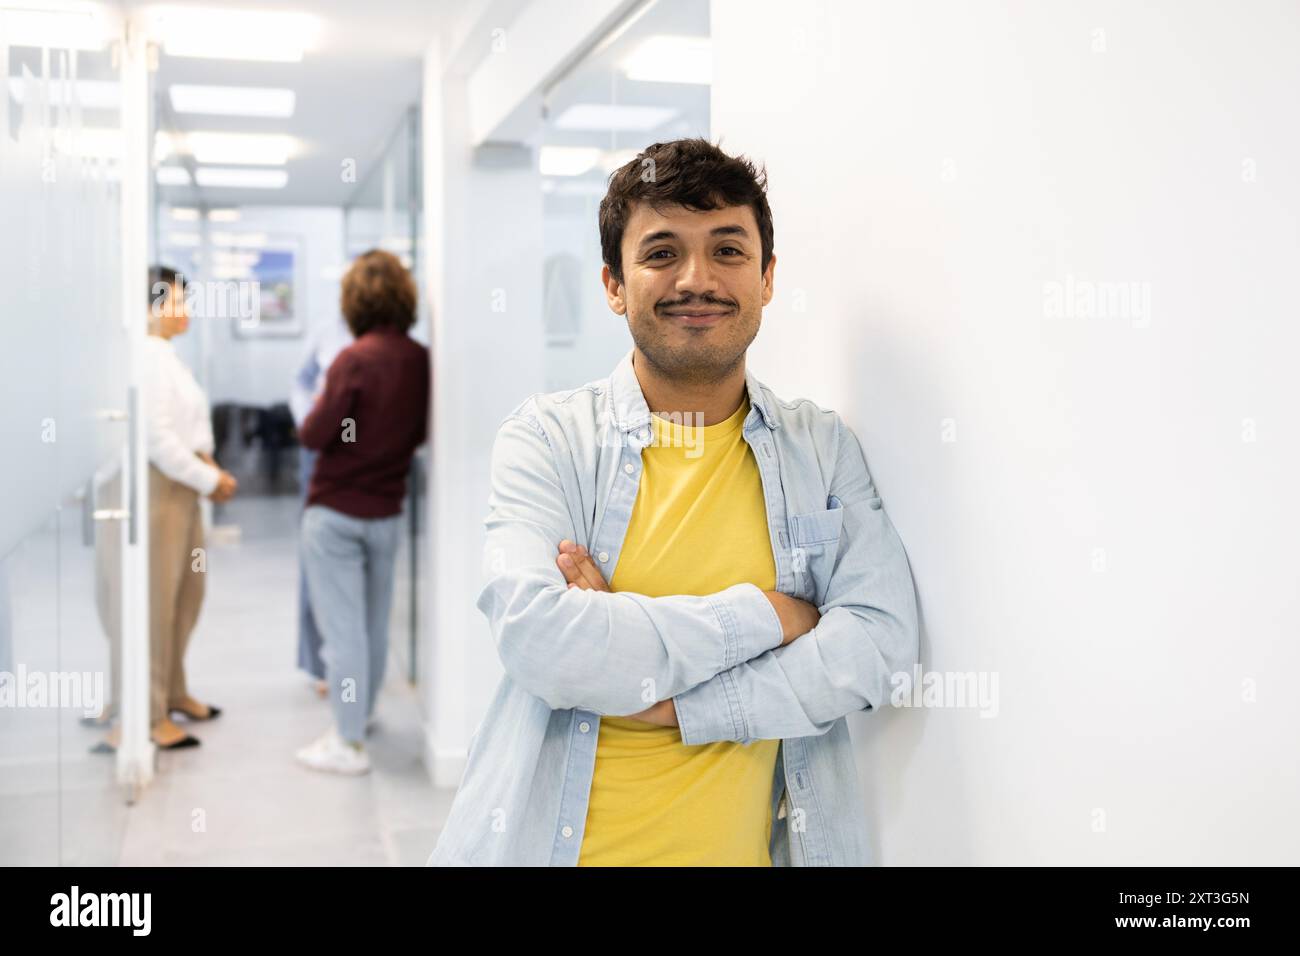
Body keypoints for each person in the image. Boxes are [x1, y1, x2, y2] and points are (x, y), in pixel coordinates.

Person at [428, 139, 919, 866]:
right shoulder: (547, 439)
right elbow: (542, 639)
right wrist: (778, 616)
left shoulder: (822, 449)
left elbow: (880, 644)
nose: (698, 278)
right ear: (614, 285)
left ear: (767, 277)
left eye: (728, 250)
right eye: (661, 253)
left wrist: (671, 700)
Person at [295, 250, 429, 774]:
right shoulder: (419, 359)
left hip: (335, 513)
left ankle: (346, 743)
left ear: (354, 301)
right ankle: (360, 714)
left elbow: (315, 432)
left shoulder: (353, 359)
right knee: (373, 624)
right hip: (387, 511)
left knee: (343, 631)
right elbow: (416, 431)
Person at [135, 265, 237, 750]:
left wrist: (209, 467)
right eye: (174, 301)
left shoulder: (169, 357)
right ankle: (151, 714)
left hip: (187, 488)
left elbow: (190, 427)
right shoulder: (149, 356)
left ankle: (175, 690)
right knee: (159, 602)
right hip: (165, 491)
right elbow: (157, 440)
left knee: (185, 596)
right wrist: (209, 477)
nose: (184, 311)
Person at [288, 316, 353, 696]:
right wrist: (308, 420)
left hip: (368, 462)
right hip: (322, 453)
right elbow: (300, 384)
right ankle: (321, 661)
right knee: (317, 556)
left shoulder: (394, 341)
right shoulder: (327, 331)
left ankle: (353, 662)